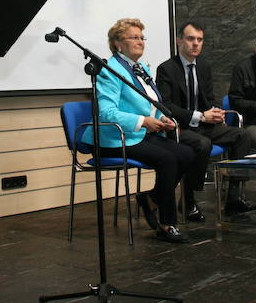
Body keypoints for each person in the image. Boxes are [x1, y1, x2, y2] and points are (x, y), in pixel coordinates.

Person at [83, 18, 195, 243]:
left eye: (142, 37)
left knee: (186, 154)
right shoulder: (109, 71)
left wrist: (160, 118)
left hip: (139, 135)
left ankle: (151, 199)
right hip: (114, 139)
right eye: (134, 37)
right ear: (117, 44)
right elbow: (106, 113)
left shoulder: (141, 68)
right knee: (167, 159)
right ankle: (166, 224)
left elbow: (147, 105)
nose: (140, 42)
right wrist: (144, 121)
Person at [156, 22, 256, 218]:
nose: (195, 44)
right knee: (202, 144)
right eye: (190, 39)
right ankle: (188, 200)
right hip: (178, 127)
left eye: (200, 40)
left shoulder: (203, 66)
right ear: (179, 41)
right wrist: (200, 116)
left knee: (241, 135)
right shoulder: (167, 69)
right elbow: (167, 106)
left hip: (202, 124)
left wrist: (214, 112)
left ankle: (234, 198)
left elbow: (208, 99)